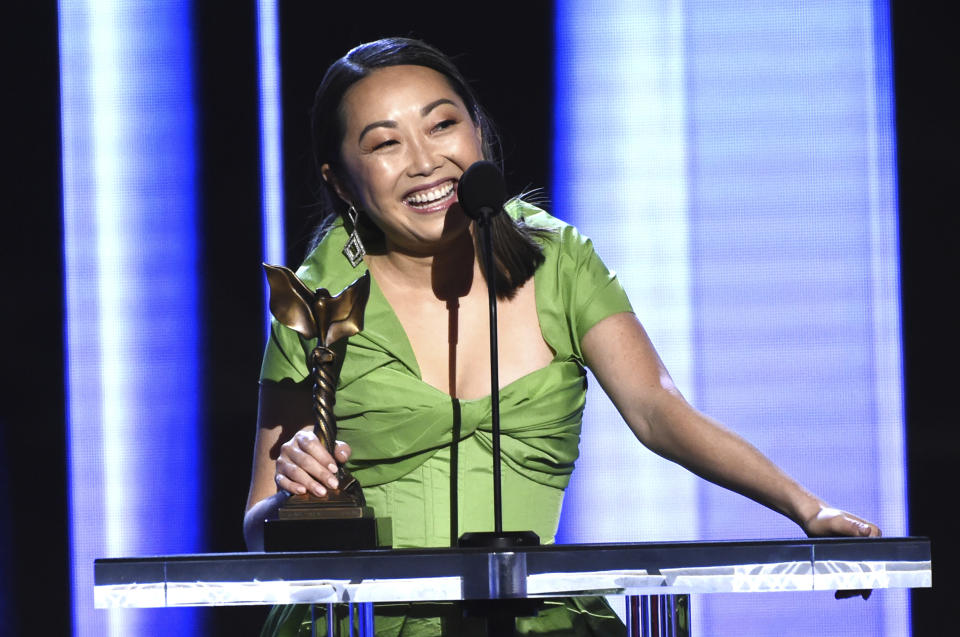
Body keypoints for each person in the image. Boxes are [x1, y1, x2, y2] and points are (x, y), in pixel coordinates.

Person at [243, 37, 880, 636]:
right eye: (385, 143)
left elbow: (659, 411)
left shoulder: (560, 261)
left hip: (535, 611)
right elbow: (255, 526)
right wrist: (293, 495)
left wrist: (806, 508)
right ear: (338, 179)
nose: (425, 160)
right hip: (368, 620)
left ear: (477, 130)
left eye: (443, 125)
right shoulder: (313, 302)